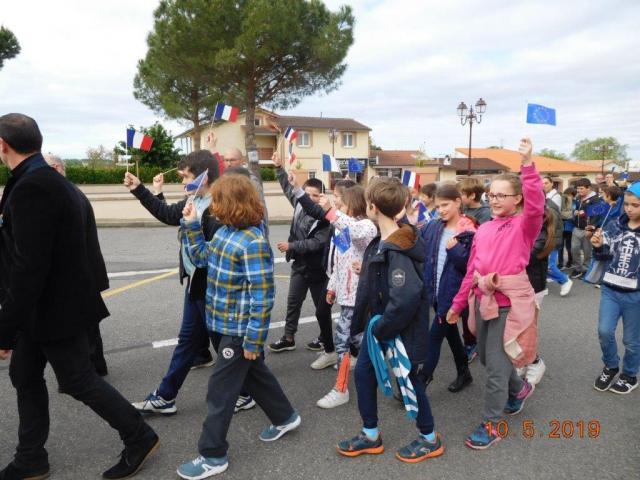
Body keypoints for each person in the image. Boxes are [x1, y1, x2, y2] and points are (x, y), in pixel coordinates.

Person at [0, 113, 158, 480]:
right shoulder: (38, 180)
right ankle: (30, 458)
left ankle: (139, 436)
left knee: (77, 380)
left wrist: (5, 328)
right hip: (46, 308)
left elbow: (29, 267)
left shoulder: (34, 186)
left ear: (3, 146)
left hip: (55, 309)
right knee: (24, 375)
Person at [176, 174, 300, 479]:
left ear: (230, 203)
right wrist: (192, 227)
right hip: (218, 322)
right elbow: (201, 259)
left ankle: (213, 455)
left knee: (220, 392)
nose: (211, 204)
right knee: (256, 375)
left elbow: (264, 295)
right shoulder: (223, 233)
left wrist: (253, 340)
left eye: (217, 200)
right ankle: (285, 417)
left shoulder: (254, 242)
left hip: (238, 329)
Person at [337, 177, 444, 463]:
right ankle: (370, 435)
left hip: (397, 330)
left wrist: (380, 329)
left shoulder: (397, 248)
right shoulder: (382, 241)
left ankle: (429, 439)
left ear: (372, 206)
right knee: (363, 374)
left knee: (410, 380)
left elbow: (406, 297)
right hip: (382, 327)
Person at [447, 138, 542, 450]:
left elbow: (537, 204)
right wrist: (458, 304)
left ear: (517, 199)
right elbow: (473, 271)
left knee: (496, 371)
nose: (496, 199)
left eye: (503, 195)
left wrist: (527, 165)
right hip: (483, 301)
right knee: (489, 360)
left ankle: (491, 424)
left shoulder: (524, 225)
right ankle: (519, 390)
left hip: (510, 306)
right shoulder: (484, 228)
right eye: (493, 194)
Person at [124, 152, 235, 415]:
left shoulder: (219, 207)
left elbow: (211, 258)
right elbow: (167, 214)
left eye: (186, 176)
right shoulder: (194, 198)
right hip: (196, 284)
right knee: (190, 343)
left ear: (204, 176)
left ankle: (257, 396)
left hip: (210, 287)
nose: (183, 182)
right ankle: (165, 396)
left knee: (226, 346)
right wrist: (140, 189)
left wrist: (194, 224)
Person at [43, 153, 110, 377]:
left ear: (57, 168)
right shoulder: (70, 191)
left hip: (83, 272)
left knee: (86, 324)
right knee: (89, 323)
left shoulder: (67, 194)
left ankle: (90, 370)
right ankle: (95, 366)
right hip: (86, 271)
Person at [314, 186, 377, 408]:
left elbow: (355, 230)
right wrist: (332, 287)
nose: (339, 204)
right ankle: (382, 374)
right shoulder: (343, 228)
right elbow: (339, 263)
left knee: (344, 343)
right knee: (363, 341)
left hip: (358, 298)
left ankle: (341, 389)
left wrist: (331, 210)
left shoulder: (366, 225)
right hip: (347, 297)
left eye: (343, 201)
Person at [268, 161, 334, 361]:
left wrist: (292, 246)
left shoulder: (326, 218)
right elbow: (289, 188)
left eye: (315, 195)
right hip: (299, 265)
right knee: (293, 302)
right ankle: (289, 338)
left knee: (321, 308)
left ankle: (324, 339)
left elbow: (316, 243)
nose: (311, 198)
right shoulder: (298, 204)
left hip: (317, 270)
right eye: (308, 194)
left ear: (321, 196)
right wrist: (279, 168)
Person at [421, 184, 475, 393]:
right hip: (435, 291)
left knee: (434, 336)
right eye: (437, 206)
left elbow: (469, 266)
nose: (441, 210)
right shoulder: (434, 226)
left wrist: (454, 250)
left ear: (458, 202)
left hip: (453, 295)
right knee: (450, 332)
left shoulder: (469, 231)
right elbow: (416, 242)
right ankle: (464, 372)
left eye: (445, 205)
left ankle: (422, 379)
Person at [591, 182, 640, 395]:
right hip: (610, 289)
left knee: (631, 340)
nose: (629, 209)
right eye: (627, 204)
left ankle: (629, 374)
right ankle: (611, 366)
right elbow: (603, 256)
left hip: (635, 295)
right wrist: (598, 246)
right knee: (604, 331)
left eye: (636, 205)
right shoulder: (613, 225)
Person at [222, 148, 268, 237]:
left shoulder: (251, 181)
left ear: (242, 161)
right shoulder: (227, 179)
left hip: (251, 235)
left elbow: (261, 211)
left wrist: (263, 235)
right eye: (226, 160)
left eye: (232, 160)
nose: (229, 163)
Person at [571, 178, 605, 279]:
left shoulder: (596, 199)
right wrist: (575, 212)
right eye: (578, 189)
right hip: (576, 228)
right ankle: (577, 269)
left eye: (581, 189)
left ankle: (586, 269)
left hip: (587, 230)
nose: (579, 191)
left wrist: (590, 229)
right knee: (574, 249)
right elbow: (575, 209)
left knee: (587, 251)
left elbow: (597, 215)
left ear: (588, 188)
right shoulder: (577, 198)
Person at [545, 198, 573, 297]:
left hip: (550, 242)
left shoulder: (550, 210)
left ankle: (564, 280)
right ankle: (542, 287)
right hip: (543, 242)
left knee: (549, 266)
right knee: (539, 265)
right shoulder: (543, 207)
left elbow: (551, 230)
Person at [560, 187, 576, 270]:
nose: (570, 197)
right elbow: (560, 213)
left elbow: (574, 215)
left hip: (570, 227)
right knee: (560, 246)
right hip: (561, 226)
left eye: (571, 195)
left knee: (569, 246)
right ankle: (560, 263)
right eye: (568, 195)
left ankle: (570, 261)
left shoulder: (575, 202)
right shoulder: (562, 201)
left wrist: (571, 214)